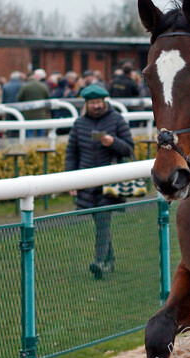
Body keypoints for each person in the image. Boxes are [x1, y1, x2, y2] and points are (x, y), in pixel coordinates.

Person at [65, 83, 134, 279]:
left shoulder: (117, 120)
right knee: (100, 222)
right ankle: (109, 259)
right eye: (92, 103)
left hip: (110, 180)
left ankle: (99, 261)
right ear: (87, 104)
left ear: (105, 102)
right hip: (86, 182)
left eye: (99, 102)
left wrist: (114, 142)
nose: (96, 106)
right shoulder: (79, 124)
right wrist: (70, 182)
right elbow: (72, 154)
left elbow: (129, 149)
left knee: (103, 220)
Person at [17, 69, 50, 137]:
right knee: (41, 134)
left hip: (28, 114)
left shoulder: (25, 86)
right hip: (41, 113)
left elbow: (19, 98)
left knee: (29, 133)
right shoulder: (43, 86)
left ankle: (30, 146)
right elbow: (47, 97)